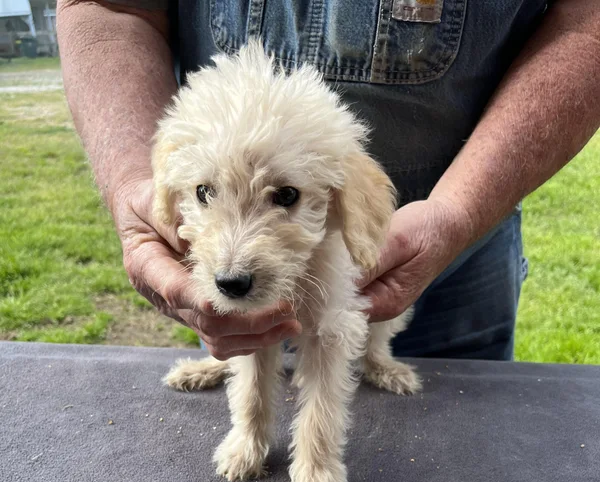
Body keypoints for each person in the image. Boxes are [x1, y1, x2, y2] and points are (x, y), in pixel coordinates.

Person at [56, 0, 600, 362]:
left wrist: (462, 210)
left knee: (451, 434)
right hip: (225, 237)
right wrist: (137, 185)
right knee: (245, 348)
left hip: (468, 242)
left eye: (285, 196)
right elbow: (105, 4)